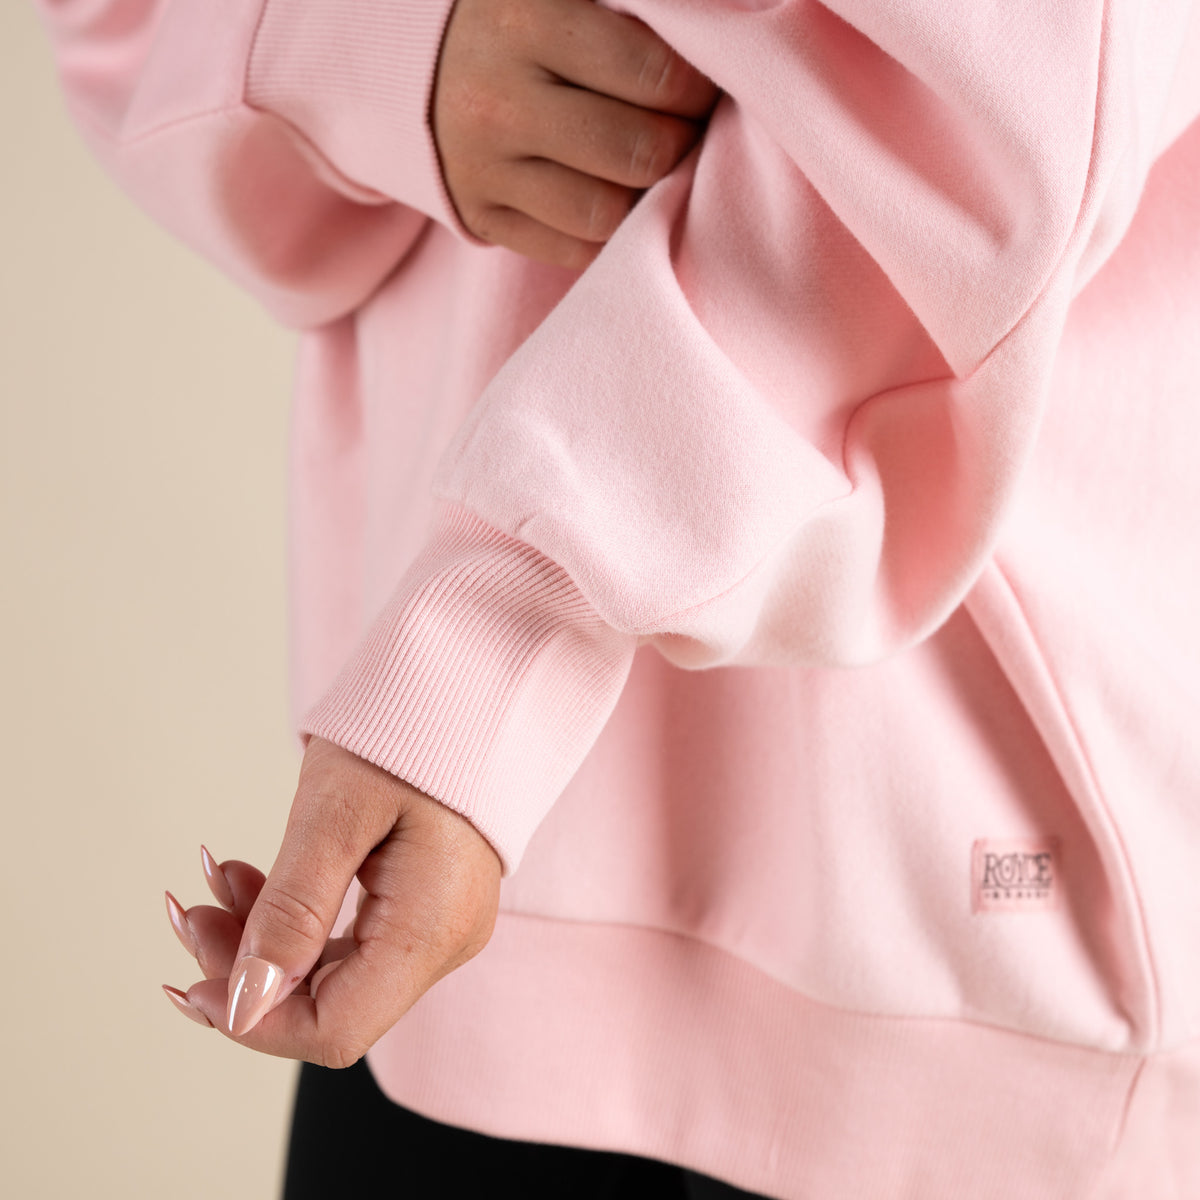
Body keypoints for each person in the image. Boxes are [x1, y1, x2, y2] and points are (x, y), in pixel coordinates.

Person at [38, 0, 1200, 1195]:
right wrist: (360, 45)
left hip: (956, 947)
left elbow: (972, 121)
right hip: (455, 933)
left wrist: (500, 629)